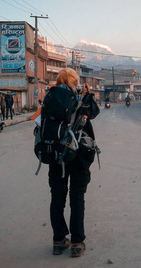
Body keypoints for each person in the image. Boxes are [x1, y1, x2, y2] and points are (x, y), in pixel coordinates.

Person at [48, 68, 91, 258]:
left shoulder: (49, 99)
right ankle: (76, 243)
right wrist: (87, 95)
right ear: (75, 83)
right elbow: (94, 113)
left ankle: (58, 242)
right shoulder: (79, 100)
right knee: (76, 199)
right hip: (78, 157)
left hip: (56, 157)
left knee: (57, 199)